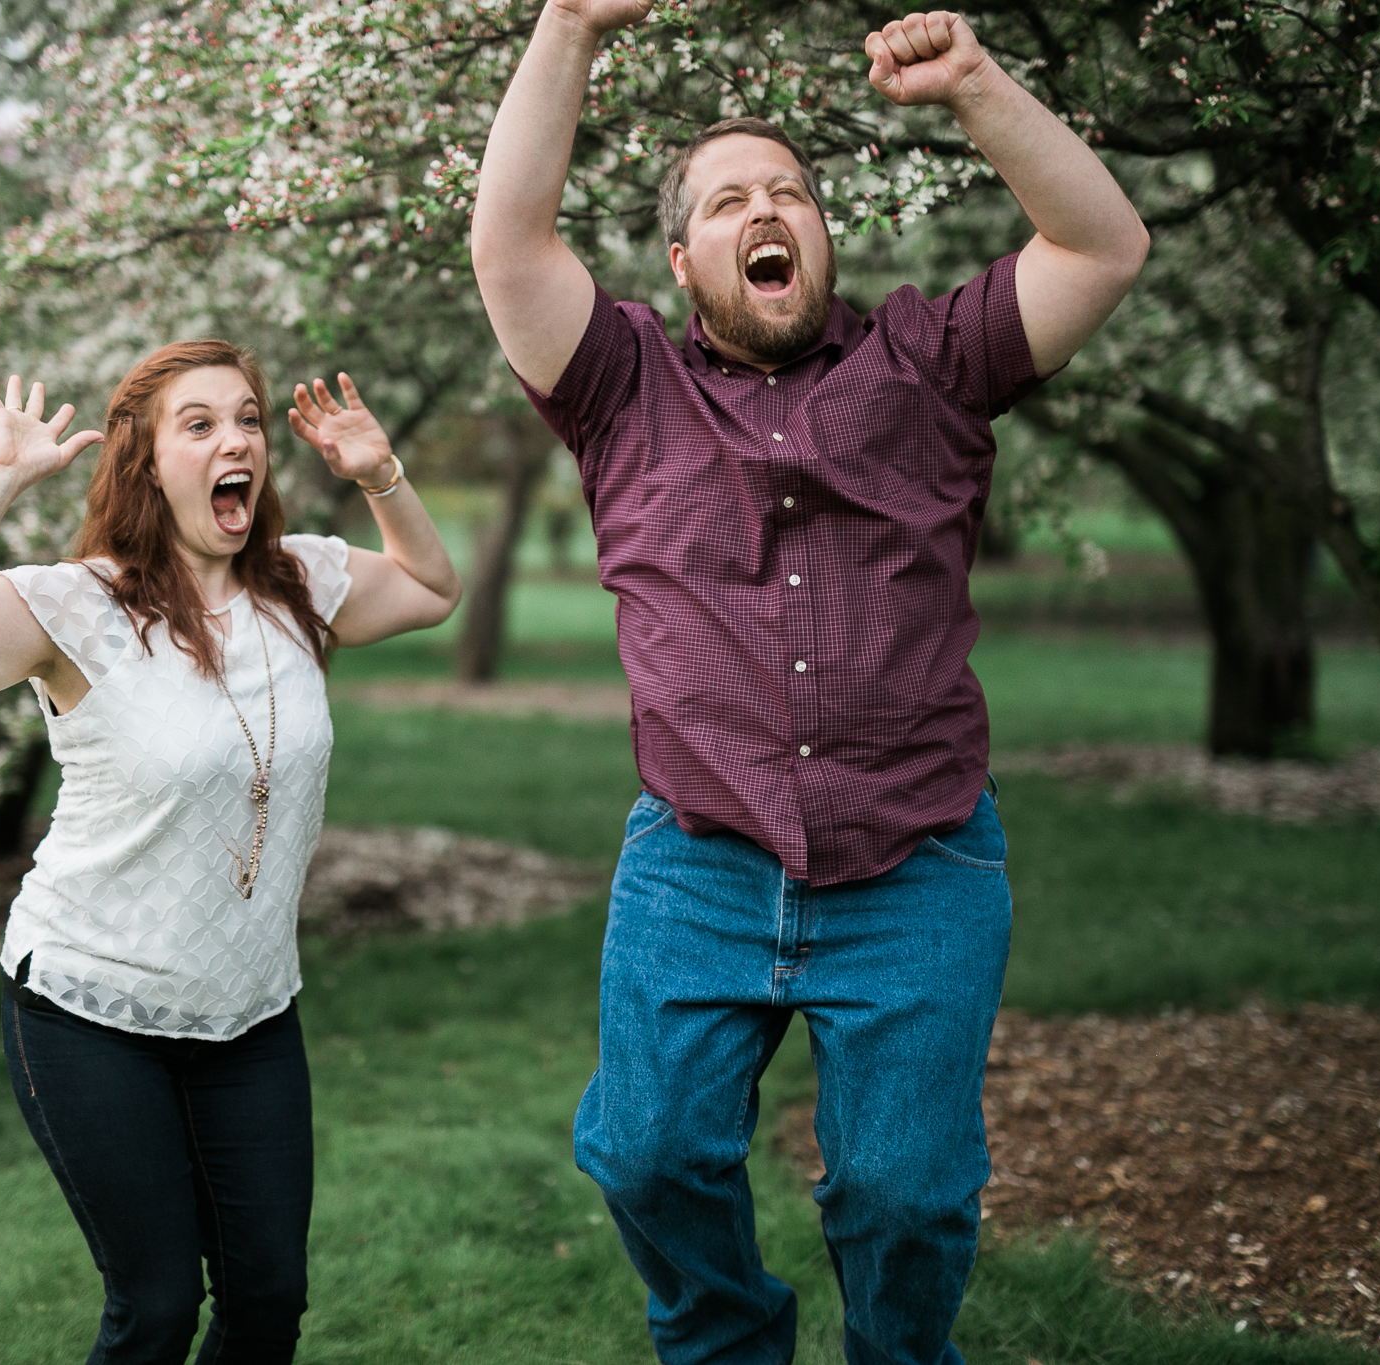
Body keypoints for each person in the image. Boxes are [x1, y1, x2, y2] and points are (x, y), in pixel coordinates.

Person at [472, 7, 1148, 1364]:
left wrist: (973, 85)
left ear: (822, 237)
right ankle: (729, 1343)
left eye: (789, 190)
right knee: (647, 1153)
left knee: (906, 1193)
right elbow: (511, 243)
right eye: (729, 200)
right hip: (700, 860)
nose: (767, 208)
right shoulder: (620, 389)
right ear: (683, 262)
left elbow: (1101, 246)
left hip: (917, 864)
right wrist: (567, 26)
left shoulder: (934, 363)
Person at [0, 340, 461, 1364]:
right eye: (201, 423)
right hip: (91, 1010)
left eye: (250, 420)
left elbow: (431, 587)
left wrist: (379, 477)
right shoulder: (75, 607)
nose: (238, 441)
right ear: (145, 462)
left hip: (251, 1011)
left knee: (267, 1302)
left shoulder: (300, 581)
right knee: (158, 1306)